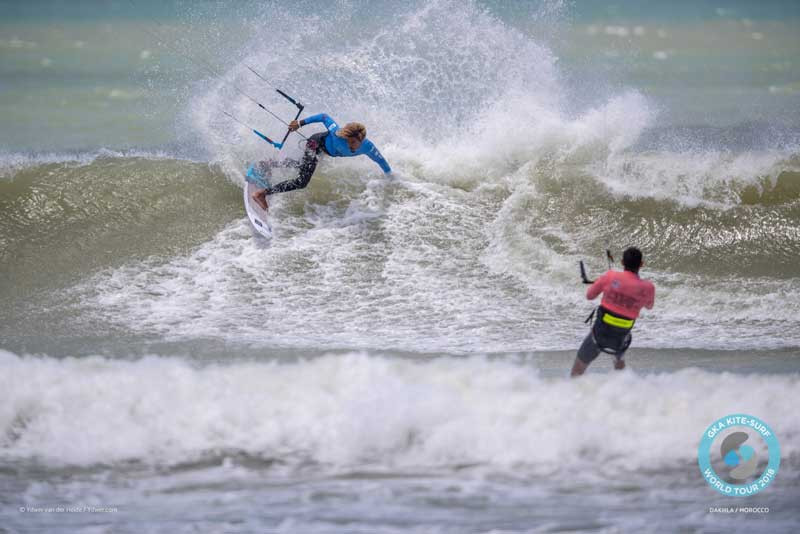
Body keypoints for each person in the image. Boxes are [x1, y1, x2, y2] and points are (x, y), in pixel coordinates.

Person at [251, 113, 391, 210]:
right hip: (315, 143)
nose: (352, 146)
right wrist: (299, 123)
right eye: (350, 141)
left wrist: (391, 178)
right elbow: (324, 116)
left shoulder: (368, 147)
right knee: (302, 181)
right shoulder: (337, 133)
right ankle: (261, 194)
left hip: (326, 151)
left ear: (362, 140)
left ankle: (270, 163)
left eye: (355, 143)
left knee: (301, 165)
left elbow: (381, 161)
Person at [570, 247, 655, 377]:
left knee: (577, 369)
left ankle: (574, 388)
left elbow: (589, 296)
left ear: (622, 262)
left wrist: (602, 282)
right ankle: (621, 383)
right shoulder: (648, 287)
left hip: (598, 335)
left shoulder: (610, 276)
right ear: (641, 264)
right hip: (621, 338)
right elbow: (649, 306)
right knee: (620, 351)